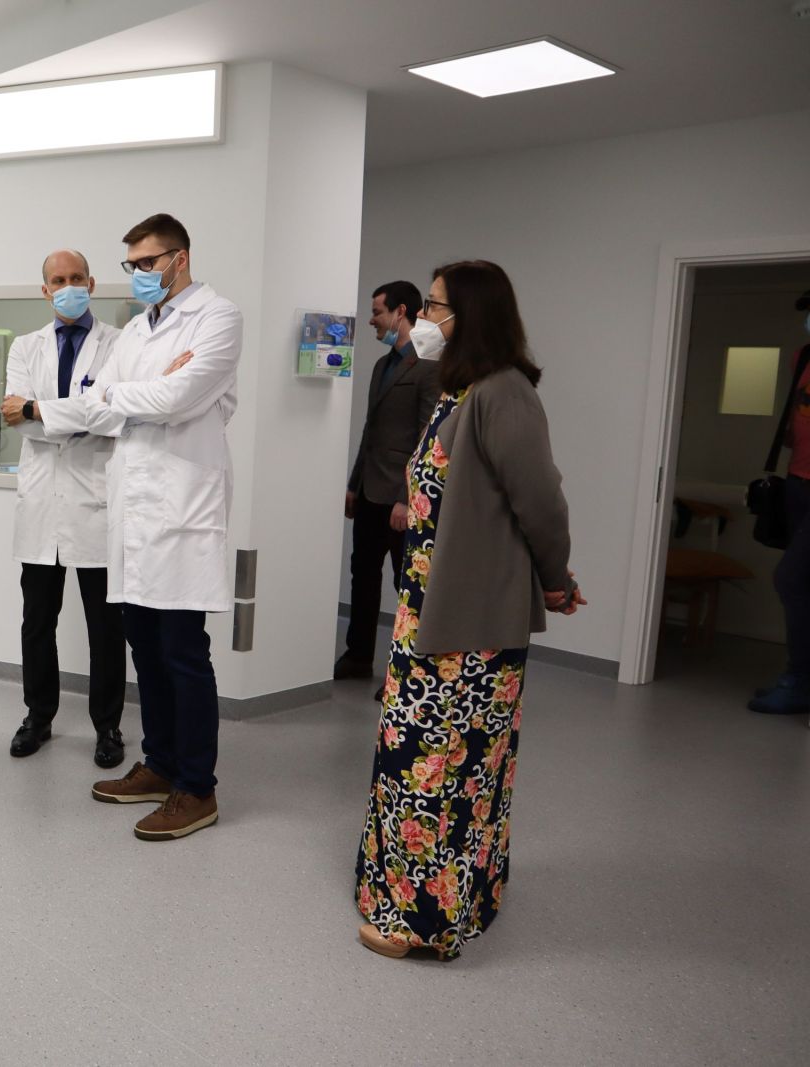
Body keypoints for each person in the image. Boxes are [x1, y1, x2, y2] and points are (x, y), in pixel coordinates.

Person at [354, 260, 585, 960]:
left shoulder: (505, 392)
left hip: (471, 623)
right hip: (426, 608)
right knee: (413, 758)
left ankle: (425, 924)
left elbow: (540, 500)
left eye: (434, 305)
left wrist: (555, 579)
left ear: (472, 315)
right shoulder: (460, 390)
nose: (425, 317)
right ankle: (416, 894)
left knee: (444, 768)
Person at [6, 213, 241, 841]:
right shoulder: (138, 330)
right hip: (130, 514)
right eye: (131, 265)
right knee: (144, 647)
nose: (136, 274)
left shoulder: (218, 318)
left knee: (182, 652)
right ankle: (160, 764)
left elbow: (176, 400)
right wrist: (129, 395)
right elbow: (99, 407)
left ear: (179, 259)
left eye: (146, 263)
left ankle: (197, 786)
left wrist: (128, 395)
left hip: (182, 510)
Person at [0, 249, 128, 767]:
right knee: (37, 621)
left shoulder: (118, 344)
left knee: (106, 626)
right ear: (45, 289)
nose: (68, 286)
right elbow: (18, 421)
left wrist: (38, 410)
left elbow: (111, 418)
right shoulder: (24, 347)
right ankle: (38, 716)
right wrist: (75, 416)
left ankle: (108, 726)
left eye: (77, 278)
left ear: (91, 284)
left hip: (95, 501)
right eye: (58, 279)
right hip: (42, 504)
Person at [337, 281, 441, 698]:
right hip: (369, 492)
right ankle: (358, 656)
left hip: (400, 499)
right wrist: (353, 483)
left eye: (377, 312)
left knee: (407, 588)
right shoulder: (383, 365)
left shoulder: (429, 367)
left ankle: (404, 672)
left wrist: (406, 497)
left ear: (401, 312)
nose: (372, 320)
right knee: (362, 576)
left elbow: (427, 436)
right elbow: (371, 429)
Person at [749, 288, 810, 716]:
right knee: (802, 583)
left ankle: (798, 681)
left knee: (790, 578)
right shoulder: (801, 358)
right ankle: (799, 680)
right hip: (798, 483)